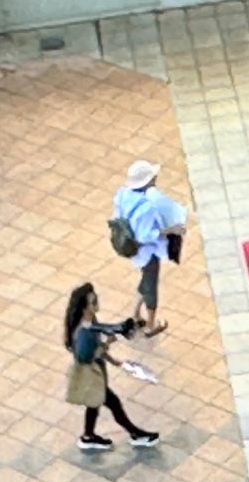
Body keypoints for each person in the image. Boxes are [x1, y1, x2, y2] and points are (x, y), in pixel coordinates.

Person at [64, 283, 159, 451]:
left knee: (94, 404)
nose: (96, 303)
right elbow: (86, 356)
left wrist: (114, 359)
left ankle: (88, 436)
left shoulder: (89, 322)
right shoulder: (84, 331)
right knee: (114, 404)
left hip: (94, 374)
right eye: (93, 302)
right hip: (91, 375)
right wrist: (107, 344)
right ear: (85, 307)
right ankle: (136, 434)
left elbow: (101, 337)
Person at [111, 160, 184, 337]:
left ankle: (135, 313)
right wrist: (170, 230)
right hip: (147, 253)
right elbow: (146, 236)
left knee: (145, 279)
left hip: (131, 248)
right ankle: (151, 324)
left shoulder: (123, 194)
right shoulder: (147, 207)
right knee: (151, 285)